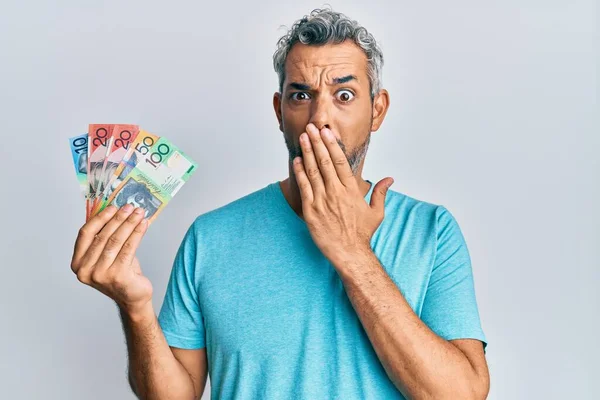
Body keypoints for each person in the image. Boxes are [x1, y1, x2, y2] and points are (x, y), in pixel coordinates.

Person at [70, 8, 490, 400]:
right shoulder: (210, 236)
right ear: (279, 109)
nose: (319, 118)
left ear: (377, 110)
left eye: (344, 96)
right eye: (300, 96)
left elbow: (461, 393)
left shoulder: (431, 229)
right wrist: (135, 307)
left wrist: (352, 252)